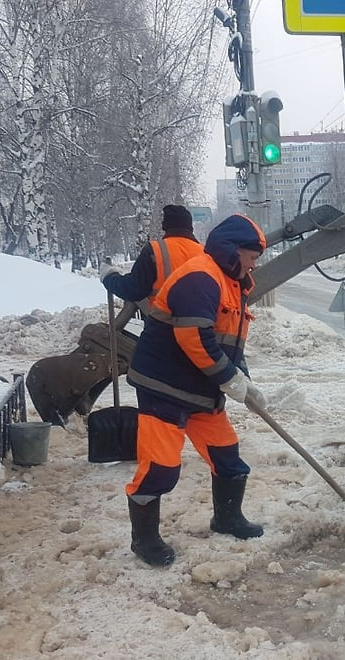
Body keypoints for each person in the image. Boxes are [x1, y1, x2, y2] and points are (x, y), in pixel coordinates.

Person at [122, 214, 268, 567]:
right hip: (165, 387)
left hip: (202, 388)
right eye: (251, 255)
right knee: (161, 468)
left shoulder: (233, 282)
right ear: (234, 250)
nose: (253, 263)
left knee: (229, 459)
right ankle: (144, 539)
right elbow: (194, 338)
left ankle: (227, 518)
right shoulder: (200, 277)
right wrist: (229, 379)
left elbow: (230, 342)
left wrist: (243, 380)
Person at [99, 205, 202, 306]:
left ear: (165, 226)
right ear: (190, 226)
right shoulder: (204, 252)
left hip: (163, 320)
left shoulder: (155, 250)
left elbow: (133, 289)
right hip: (203, 321)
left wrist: (109, 277)